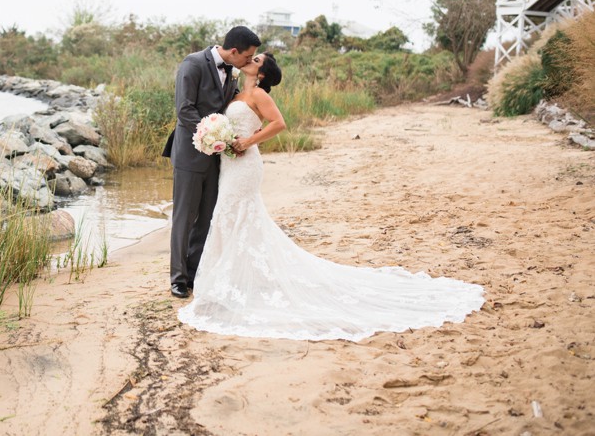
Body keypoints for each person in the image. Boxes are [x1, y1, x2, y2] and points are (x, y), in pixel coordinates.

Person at [178, 53, 484, 340]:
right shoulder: (234, 93)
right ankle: (231, 279)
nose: (249, 59)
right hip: (229, 164)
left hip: (246, 165)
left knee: (238, 214)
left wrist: (248, 141)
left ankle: (236, 282)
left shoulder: (259, 95)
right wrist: (217, 138)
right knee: (228, 216)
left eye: (256, 59)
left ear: (261, 73)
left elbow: (279, 124)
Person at [165, 26, 261, 299]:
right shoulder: (193, 64)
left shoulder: (231, 72)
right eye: (248, 56)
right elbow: (185, 110)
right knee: (184, 217)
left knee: (206, 217)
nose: (249, 61)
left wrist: (228, 141)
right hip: (189, 154)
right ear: (234, 51)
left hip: (218, 158)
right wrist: (213, 135)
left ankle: (195, 272)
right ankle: (178, 278)